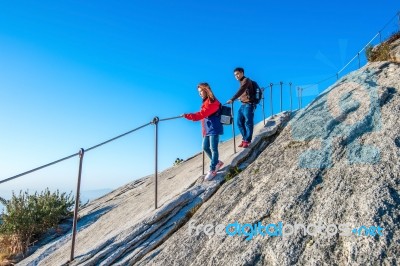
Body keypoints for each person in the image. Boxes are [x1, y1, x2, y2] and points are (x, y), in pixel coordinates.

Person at [183, 82, 224, 181]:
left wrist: (188, 116)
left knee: (213, 148)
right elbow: (202, 115)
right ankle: (217, 162)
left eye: (201, 91)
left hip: (214, 128)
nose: (200, 93)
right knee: (205, 147)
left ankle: (213, 169)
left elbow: (202, 114)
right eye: (199, 92)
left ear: (206, 90)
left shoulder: (212, 101)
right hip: (207, 129)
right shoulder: (205, 102)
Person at [226, 67, 255, 148]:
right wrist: (240, 98)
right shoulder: (241, 82)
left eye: (238, 74)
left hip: (249, 104)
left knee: (248, 122)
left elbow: (241, 90)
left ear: (242, 73)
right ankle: (244, 138)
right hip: (243, 105)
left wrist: (232, 99)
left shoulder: (246, 80)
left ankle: (247, 141)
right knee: (239, 122)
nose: (236, 76)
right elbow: (244, 93)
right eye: (235, 75)